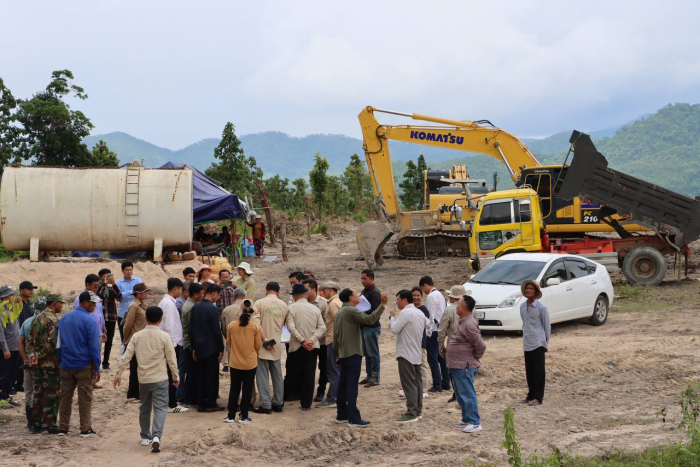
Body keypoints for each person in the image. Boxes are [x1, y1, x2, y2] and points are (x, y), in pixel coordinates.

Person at [114, 306, 179, 453]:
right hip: (160, 378)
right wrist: (175, 376)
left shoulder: (137, 336)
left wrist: (118, 374)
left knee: (144, 407)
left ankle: (145, 436)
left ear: (145, 318)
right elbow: (171, 359)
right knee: (160, 408)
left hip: (143, 379)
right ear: (160, 320)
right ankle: (156, 436)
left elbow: (126, 357)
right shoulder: (164, 336)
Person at [334, 288, 387, 427]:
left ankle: (341, 414)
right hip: (353, 353)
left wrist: (337, 354)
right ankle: (353, 418)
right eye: (356, 294)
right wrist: (382, 305)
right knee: (351, 386)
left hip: (344, 353)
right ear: (350, 298)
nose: (359, 295)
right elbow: (370, 320)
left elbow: (335, 336)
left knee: (343, 384)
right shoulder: (351, 311)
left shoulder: (339, 312)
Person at [56, 291, 101, 437]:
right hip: (83, 365)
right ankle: (85, 428)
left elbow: (58, 344)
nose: (95, 306)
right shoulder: (89, 321)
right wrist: (96, 367)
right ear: (85, 303)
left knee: (65, 397)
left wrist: (60, 361)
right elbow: (94, 347)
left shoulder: (64, 318)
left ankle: (63, 427)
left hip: (66, 364)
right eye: (93, 303)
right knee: (85, 397)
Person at [251, 282, 293, 414]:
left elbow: (256, 324)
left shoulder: (259, 303)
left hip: (262, 344)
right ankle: (278, 402)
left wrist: (265, 340)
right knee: (277, 375)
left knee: (262, 376)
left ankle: (265, 404)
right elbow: (287, 325)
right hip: (277, 344)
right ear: (278, 292)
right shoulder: (283, 305)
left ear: (266, 290)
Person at [26, 294, 65, 434]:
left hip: (37, 364)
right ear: (54, 303)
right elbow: (53, 342)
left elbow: (29, 339)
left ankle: (36, 423)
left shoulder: (37, 318)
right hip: (50, 364)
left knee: (38, 393)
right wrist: (40, 355)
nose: (62, 306)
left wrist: (33, 355)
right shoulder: (53, 319)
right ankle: (49, 424)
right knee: (51, 393)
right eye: (60, 303)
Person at [389, 290, 430, 423]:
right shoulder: (419, 313)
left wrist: (392, 317)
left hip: (406, 353)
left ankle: (411, 412)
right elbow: (428, 325)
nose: (397, 303)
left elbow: (394, 329)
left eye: (398, 300)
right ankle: (418, 410)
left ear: (405, 300)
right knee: (417, 383)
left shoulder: (406, 312)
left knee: (409, 384)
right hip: (416, 352)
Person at [448, 294, 486, 433]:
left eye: (458, 304)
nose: (456, 306)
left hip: (464, 364)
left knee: (467, 393)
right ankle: (466, 418)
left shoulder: (469, 324)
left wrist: (476, 357)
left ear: (463, 308)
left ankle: (475, 422)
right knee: (460, 393)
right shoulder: (463, 321)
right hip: (457, 364)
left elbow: (481, 345)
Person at [285, 283, 326, 411]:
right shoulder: (315, 309)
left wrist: (302, 340)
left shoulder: (291, 308)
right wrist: (312, 340)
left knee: (291, 374)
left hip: (297, 346)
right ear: (306, 294)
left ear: (294, 296)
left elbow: (291, 327)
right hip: (313, 346)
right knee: (309, 374)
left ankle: (282, 399)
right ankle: (306, 403)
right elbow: (322, 327)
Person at [189, 283, 225, 412]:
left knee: (200, 376)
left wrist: (194, 347)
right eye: (218, 295)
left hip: (198, 347)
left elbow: (191, 329)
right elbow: (216, 330)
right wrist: (221, 348)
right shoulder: (212, 308)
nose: (218, 297)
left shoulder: (195, 307)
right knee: (211, 376)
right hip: (211, 347)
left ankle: (201, 403)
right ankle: (210, 403)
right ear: (214, 293)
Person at [224, 303, 262, 423]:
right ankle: (244, 415)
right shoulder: (255, 326)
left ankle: (230, 415)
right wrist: (253, 353)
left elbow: (229, 341)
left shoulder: (231, 325)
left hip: (235, 362)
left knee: (234, 388)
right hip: (250, 362)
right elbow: (258, 345)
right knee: (247, 389)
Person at [158, 278, 187, 413]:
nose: (181, 292)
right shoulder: (168, 304)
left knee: (170, 373)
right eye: (180, 289)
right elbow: (169, 326)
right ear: (175, 289)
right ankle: (171, 404)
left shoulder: (167, 302)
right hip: (171, 344)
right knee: (172, 374)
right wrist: (172, 345)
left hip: (171, 343)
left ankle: (170, 402)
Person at [520, 280, 551, 406]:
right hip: (527, 342)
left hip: (538, 342)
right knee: (529, 371)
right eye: (527, 288)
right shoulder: (522, 306)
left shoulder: (541, 308)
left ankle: (538, 397)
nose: (528, 290)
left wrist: (546, 343)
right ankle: (531, 395)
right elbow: (525, 323)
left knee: (538, 371)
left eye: (531, 289)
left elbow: (547, 326)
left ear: (536, 292)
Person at [75, 274, 106, 387]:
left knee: (96, 355)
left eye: (98, 286)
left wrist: (104, 330)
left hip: (98, 332)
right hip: (88, 334)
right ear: (87, 285)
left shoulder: (96, 298)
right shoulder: (80, 299)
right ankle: (87, 381)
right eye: (94, 286)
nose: (96, 288)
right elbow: (78, 317)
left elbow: (100, 314)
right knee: (89, 356)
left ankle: (93, 380)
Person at [420, 276, 450, 393]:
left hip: (434, 330)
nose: (423, 291)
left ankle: (437, 384)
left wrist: (428, 332)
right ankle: (446, 382)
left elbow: (431, 316)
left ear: (425, 285)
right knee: (441, 356)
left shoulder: (431, 296)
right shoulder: (440, 295)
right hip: (441, 329)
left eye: (423, 289)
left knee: (432, 358)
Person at [438, 285, 466, 403]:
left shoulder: (449, 310)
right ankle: (462, 393)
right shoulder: (472, 309)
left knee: (453, 370)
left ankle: (457, 393)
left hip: (453, 344)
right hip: (467, 344)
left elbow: (442, 330)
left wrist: (441, 345)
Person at [123, 283, 151, 400]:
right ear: (138, 294)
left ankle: (137, 391)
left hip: (141, 340)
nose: (146, 293)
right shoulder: (134, 306)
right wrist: (126, 339)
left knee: (139, 366)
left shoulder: (142, 305)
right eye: (144, 291)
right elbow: (128, 325)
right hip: (135, 341)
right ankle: (133, 392)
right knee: (135, 367)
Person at [316, 281, 342, 408]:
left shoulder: (332, 304)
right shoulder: (339, 301)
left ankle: (332, 398)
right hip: (336, 340)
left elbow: (339, 323)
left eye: (324, 290)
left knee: (333, 371)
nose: (323, 293)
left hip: (332, 340)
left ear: (330, 290)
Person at [303, 279, 329, 403]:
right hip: (307, 342)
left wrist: (315, 338)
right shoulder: (302, 302)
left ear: (314, 289)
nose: (305, 292)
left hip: (322, 341)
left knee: (323, 367)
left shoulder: (323, 303)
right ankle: (306, 392)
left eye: (306, 289)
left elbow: (326, 323)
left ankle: (321, 390)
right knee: (308, 368)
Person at [178, 282, 203, 407]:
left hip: (188, 342)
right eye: (201, 293)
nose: (203, 295)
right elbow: (192, 329)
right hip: (189, 344)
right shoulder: (191, 308)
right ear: (195, 295)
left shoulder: (191, 305)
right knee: (190, 372)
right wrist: (195, 347)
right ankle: (187, 397)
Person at [407, 286, 431, 400]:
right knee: (410, 366)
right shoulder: (409, 308)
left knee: (423, 365)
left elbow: (425, 325)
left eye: (418, 295)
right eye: (413, 295)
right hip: (410, 342)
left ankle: (424, 389)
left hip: (420, 342)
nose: (415, 298)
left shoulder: (424, 309)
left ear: (421, 296)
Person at [359, 269, 382, 387]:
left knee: (373, 353)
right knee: (367, 353)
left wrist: (360, 314)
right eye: (361, 278)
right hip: (365, 326)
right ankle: (369, 376)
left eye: (364, 278)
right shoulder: (365, 291)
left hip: (372, 327)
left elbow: (375, 311)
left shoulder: (375, 293)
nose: (362, 280)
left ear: (371, 278)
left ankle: (375, 377)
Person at [0, 285, 21, 407]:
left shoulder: (12, 310)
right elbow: (0, 333)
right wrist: (5, 349)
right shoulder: (2, 312)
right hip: (7, 349)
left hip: (15, 348)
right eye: (11, 295)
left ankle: (7, 396)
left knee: (12, 374)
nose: (13, 297)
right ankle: (2, 398)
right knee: (4, 374)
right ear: (4, 297)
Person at [97, 269, 122, 371]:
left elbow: (120, 298)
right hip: (100, 318)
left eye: (109, 276)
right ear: (100, 277)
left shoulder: (112, 288)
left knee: (109, 341)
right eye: (105, 276)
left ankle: (106, 363)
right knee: (98, 341)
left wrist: (114, 284)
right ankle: (97, 363)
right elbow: (98, 296)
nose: (107, 278)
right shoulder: (98, 287)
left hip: (111, 317)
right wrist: (104, 284)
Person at [18, 301, 38, 429]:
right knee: (37, 390)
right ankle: (36, 421)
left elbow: (20, 341)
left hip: (28, 361)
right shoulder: (45, 322)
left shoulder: (26, 322)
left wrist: (24, 358)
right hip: (39, 361)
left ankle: (30, 421)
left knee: (28, 391)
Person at [15, 281, 37, 393]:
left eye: (32, 289)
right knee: (19, 359)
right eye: (29, 289)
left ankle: (21, 383)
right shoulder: (17, 303)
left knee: (26, 358)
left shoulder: (29, 304)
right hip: (19, 336)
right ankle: (16, 384)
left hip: (28, 336)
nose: (31, 291)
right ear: (22, 290)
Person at [221, 288, 247, 372]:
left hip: (232, 344)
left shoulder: (226, 310)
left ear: (233, 298)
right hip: (247, 345)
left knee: (234, 372)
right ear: (244, 297)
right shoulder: (250, 309)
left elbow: (224, 329)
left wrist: (228, 338)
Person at [116, 261, 143, 342]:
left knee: (137, 338)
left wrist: (124, 294)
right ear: (122, 271)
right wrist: (132, 292)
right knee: (124, 338)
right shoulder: (118, 283)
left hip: (136, 313)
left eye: (130, 270)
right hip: (122, 313)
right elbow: (119, 297)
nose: (129, 272)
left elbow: (140, 294)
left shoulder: (138, 280)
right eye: (127, 270)